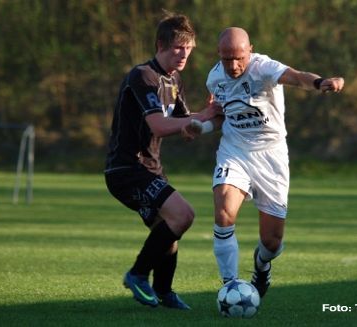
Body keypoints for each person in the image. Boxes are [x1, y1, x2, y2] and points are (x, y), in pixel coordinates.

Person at [183, 27, 344, 298]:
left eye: (239, 58)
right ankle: (230, 285)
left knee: (272, 242)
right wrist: (203, 128)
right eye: (226, 59)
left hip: (272, 156)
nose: (233, 65)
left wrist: (319, 82)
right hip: (235, 150)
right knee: (223, 211)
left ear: (250, 50)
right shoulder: (214, 79)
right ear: (219, 55)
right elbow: (222, 116)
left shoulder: (264, 67)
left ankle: (261, 266)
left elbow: (296, 77)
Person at [104, 12, 220, 310]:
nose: (184, 54)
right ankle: (137, 274)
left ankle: (165, 292)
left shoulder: (173, 79)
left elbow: (182, 124)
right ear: (161, 45)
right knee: (183, 215)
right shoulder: (143, 75)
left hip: (149, 169)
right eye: (177, 47)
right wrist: (201, 118)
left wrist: (208, 118)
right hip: (127, 169)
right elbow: (159, 125)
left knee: (169, 230)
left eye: (189, 47)